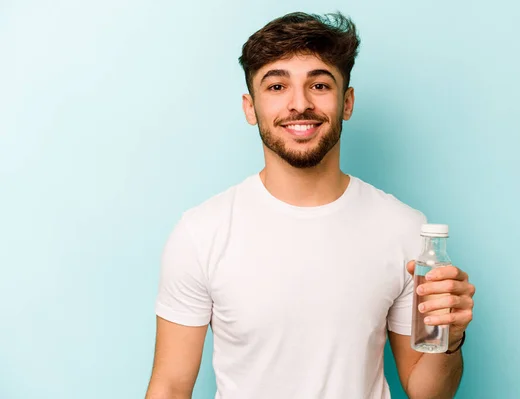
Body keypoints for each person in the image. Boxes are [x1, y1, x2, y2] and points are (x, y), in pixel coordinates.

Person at [145, 11, 475, 399]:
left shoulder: (403, 230)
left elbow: (428, 393)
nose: (299, 104)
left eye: (319, 85)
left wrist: (450, 338)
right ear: (250, 108)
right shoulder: (201, 233)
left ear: (346, 102)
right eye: (276, 87)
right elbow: (169, 386)